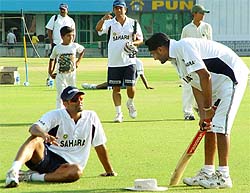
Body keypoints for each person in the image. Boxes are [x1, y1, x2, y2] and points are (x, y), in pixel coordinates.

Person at [145, 33, 249, 189]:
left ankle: (224, 176)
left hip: (232, 78)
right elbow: (196, 84)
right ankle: (208, 171)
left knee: (220, 127)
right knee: (208, 127)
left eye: (153, 53)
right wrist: (203, 114)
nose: (154, 58)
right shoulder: (176, 60)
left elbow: (204, 76)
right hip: (214, 84)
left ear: (160, 49)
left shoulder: (184, 47)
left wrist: (208, 109)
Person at [5, 86, 117, 188]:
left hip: (69, 166)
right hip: (47, 157)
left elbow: (100, 145)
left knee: (76, 172)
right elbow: (33, 128)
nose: (79, 102)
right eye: (74, 100)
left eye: (81, 98)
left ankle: (28, 176)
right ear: (65, 103)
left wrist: (109, 171)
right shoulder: (55, 115)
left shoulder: (91, 117)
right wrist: (44, 135)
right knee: (36, 138)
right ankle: (14, 170)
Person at [96, 0, 143, 123]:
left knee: (131, 86)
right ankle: (118, 113)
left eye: (120, 8)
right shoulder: (109, 23)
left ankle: (130, 103)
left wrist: (132, 43)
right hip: (114, 61)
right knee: (116, 89)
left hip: (129, 60)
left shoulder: (133, 23)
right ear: (113, 9)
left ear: (125, 9)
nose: (118, 10)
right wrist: (103, 19)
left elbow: (140, 39)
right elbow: (98, 29)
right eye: (116, 8)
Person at [180, 4, 212, 121]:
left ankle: (199, 107)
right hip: (190, 62)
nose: (203, 15)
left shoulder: (207, 27)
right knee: (188, 86)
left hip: (204, 62)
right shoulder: (187, 29)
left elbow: (210, 44)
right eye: (201, 13)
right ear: (194, 13)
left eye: (204, 13)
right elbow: (182, 46)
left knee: (203, 86)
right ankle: (187, 112)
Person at [48, 26, 85, 109]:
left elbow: (82, 50)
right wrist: (50, 71)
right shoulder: (57, 48)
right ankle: (59, 112)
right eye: (68, 36)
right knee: (60, 95)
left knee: (73, 93)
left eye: (72, 35)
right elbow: (52, 59)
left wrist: (78, 62)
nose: (71, 38)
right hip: (60, 75)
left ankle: (72, 110)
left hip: (71, 75)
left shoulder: (74, 46)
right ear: (62, 36)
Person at [82, 58, 153, 90]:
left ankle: (93, 87)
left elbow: (141, 75)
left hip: (128, 84)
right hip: (122, 82)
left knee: (109, 84)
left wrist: (147, 86)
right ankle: (96, 86)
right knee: (111, 83)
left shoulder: (138, 62)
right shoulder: (123, 60)